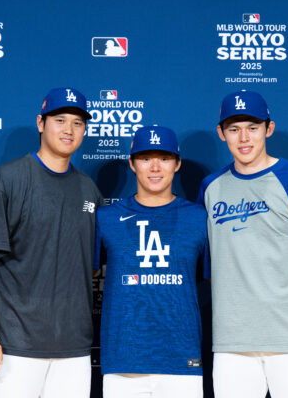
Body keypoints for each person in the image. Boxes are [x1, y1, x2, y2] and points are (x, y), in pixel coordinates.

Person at [0, 87, 104, 398]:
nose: (69, 129)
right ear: (41, 123)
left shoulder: (88, 190)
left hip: (74, 347)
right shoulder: (6, 180)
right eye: (60, 119)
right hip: (14, 346)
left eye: (78, 123)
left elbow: (91, 269)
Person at [197, 91, 288, 398]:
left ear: (268, 129)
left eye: (253, 127)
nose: (244, 137)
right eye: (234, 129)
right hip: (232, 345)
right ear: (221, 134)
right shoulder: (210, 188)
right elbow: (207, 266)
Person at [95, 126, 210, 398]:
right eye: (146, 158)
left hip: (182, 360)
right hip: (123, 361)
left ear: (177, 164)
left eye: (165, 158)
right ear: (132, 164)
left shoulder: (199, 218)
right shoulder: (106, 218)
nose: (155, 167)